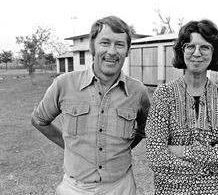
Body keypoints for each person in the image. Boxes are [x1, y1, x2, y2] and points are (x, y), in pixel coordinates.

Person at [31, 15, 150, 195]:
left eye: (119, 44)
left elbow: (143, 129)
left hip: (121, 187)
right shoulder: (63, 84)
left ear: (127, 50)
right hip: (74, 188)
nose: (112, 51)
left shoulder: (138, 91)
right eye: (105, 43)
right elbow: (39, 120)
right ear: (92, 47)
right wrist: (69, 145)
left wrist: (121, 149)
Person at [146, 19, 218, 194]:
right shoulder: (163, 95)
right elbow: (156, 158)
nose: (197, 53)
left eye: (205, 47)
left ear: (214, 52)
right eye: (190, 46)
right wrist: (212, 163)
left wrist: (183, 150)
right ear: (182, 51)